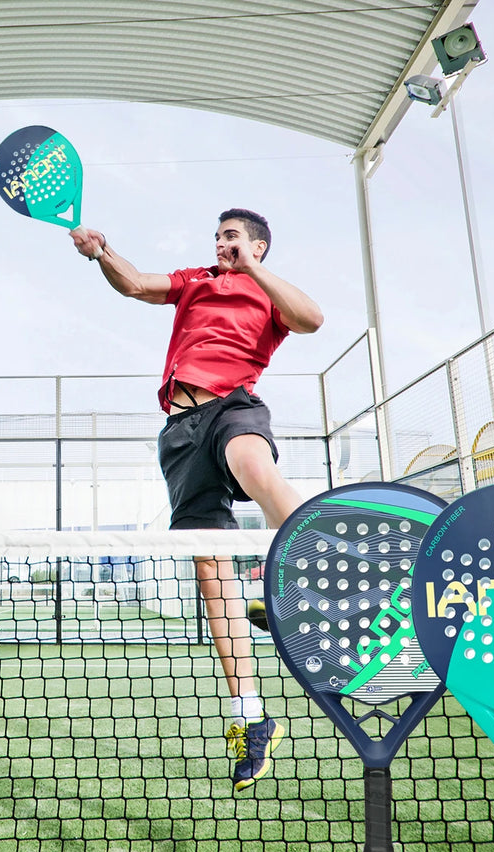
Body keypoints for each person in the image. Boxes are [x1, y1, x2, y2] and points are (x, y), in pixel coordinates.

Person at [71, 209, 323, 792]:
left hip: (233, 408)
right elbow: (135, 284)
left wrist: (255, 270)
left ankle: (312, 581)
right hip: (181, 433)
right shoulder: (195, 280)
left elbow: (312, 319)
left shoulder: (269, 295)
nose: (221, 244)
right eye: (218, 236)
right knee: (212, 576)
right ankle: (250, 718)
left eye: (232, 236)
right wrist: (100, 251)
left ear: (258, 245)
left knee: (253, 466)